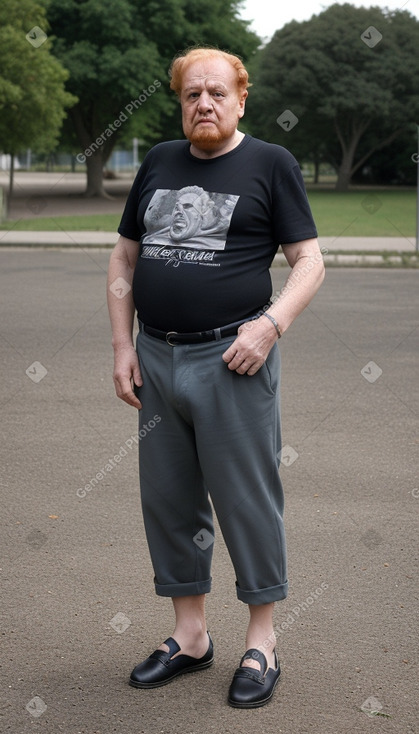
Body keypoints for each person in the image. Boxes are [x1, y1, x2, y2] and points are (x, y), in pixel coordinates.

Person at [107, 46, 325, 708]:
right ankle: (191, 636)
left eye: (216, 93)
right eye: (190, 94)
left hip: (232, 359)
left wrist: (269, 325)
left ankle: (262, 642)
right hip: (157, 358)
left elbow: (308, 261)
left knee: (245, 500)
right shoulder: (159, 163)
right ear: (179, 104)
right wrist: (122, 344)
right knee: (169, 500)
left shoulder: (269, 164)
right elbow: (123, 256)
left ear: (240, 97)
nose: (203, 103)